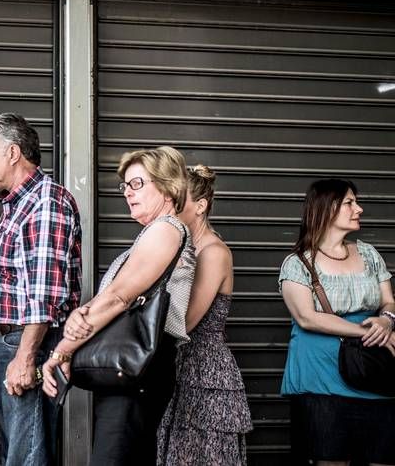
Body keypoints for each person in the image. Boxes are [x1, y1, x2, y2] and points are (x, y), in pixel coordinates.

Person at [42, 146, 196, 466]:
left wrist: (62, 351)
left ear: (167, 186)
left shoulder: (165, 230)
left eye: (137, 183)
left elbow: (120, 297)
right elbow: (113, 296)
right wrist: (79, 320)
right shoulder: (152, 234)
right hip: (134, 367)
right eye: (125, 185)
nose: (127, 192)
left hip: (140, 365)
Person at [0, 113, 81, 465]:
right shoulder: (18, 204)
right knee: (17, 452)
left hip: (25, 344)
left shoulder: (45, 202)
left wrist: (25, 357)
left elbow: (43, 293)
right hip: (7, 344)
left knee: (28, 456)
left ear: (13, 153)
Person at [277, 178, 395, 465]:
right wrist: (366, 330)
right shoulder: (298, 263)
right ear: (328, 210)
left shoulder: (368, 253)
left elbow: (388, 301)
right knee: (330, 460)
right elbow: (307, 317)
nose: (359, 209)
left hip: (373, 374)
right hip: (322, 381)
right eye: (349, 203)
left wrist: (387, 321)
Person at [156, 165, 252, 465]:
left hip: (204, 373)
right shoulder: (179, 245)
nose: (168, 207)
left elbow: (184, 322)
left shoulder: (213, 252)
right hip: (176, 367)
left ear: (201, 206)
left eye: (176, 200)